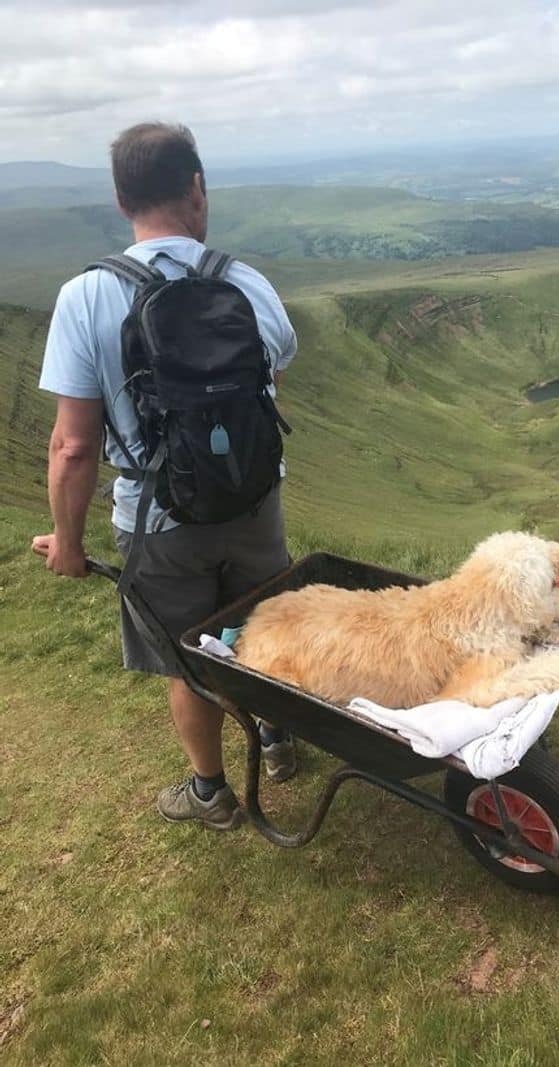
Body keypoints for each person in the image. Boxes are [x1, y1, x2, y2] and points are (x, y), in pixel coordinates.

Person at [32, 122, 298, 831]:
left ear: (122, 202)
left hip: (158, 520)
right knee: (264, 625)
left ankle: (210, 791)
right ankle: (276, 735)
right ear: (197, 189)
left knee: (192, 659)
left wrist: (66, 539)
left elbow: (73, 446)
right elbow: (264, 385)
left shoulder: (86, 297)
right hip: (252, 499)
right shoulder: (245, 282)